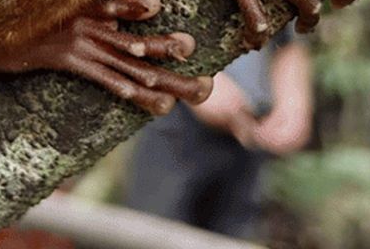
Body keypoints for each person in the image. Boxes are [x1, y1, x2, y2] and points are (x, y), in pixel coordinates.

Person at [123, 25, 313, 241]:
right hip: (175, 117)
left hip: (253, 129)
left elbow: (289, 37)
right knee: (154, 232)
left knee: (236, 236)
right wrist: (194, 82)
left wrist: (292, 103)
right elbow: (151, 23)